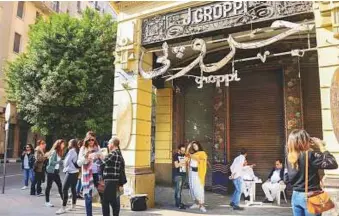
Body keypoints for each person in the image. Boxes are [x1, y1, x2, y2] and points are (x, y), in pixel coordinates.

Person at [284, 129, 338, 216]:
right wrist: (321, 146)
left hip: (295, 196)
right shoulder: (310, 155)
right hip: (311, 195)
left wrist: (298, 185)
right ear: (304, 141)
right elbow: (333, 164)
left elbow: (286, 179)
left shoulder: (289, 156)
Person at [77, 132, 103, 216]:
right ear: (86, 140)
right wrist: (85, 157)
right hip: (87, 175)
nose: (91, 141)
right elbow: (78, 163)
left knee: (103, 194)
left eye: (93, 140)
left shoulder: (97, 147)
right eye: (89, 140)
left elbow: (102, 159)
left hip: (97, 174)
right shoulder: (83, 148)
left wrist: (99, 156)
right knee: (88, 197)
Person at [100, 137, 126, 216]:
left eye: (109, 143)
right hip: (114, 180)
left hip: (110, 180)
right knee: (113, 200)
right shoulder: (118, 153)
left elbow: (103, 162)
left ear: (112, 144)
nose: (108, 145)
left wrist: (98, 155)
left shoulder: (113, 153)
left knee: (105, 201)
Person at [56, 139, 79, 214]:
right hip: (76, 172)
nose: (68, 144)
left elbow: (66, 162)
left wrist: (63, 162)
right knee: (73, 189)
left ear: (71, 144)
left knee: (64, 189)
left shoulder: (71, 151)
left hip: (70, 172)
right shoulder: (77, 150)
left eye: (69, 143)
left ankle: (63, 207)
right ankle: (73, 205)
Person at [186, 141, 208, 213]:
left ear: (199, 146)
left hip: (198, 173)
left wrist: (190, 155)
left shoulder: (202, 153)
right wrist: (188, 147)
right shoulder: (192, 154)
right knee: (192, 188)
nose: (195, 147)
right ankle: (196, 203)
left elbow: (199, 159)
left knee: (199, 189)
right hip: (191, 173)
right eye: (193, 146)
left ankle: (201, 205)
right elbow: (186, 155)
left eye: (196, 145)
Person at [45, 139, 65, 207]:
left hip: (55, 172)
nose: (64, 145)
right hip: (51, 171)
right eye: (62, 144)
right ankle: (47, 202)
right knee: (49, 186)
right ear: (59, 145)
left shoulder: (60, 152)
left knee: (60, 185)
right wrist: (59, 162)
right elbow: (51, 162)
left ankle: (63, 200)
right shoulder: (54, 152)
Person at [173, 144, 187, 209]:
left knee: (180, 189)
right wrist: (183, 161)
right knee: (178, 189)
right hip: (178, 174)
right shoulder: (176, 155)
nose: (183, 151)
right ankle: (178, 203)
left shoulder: (185, 155)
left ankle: (178, 203)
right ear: (179, 150)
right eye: (182, 150)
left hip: (184, 174)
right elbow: (176, 165)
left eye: (184, 150)